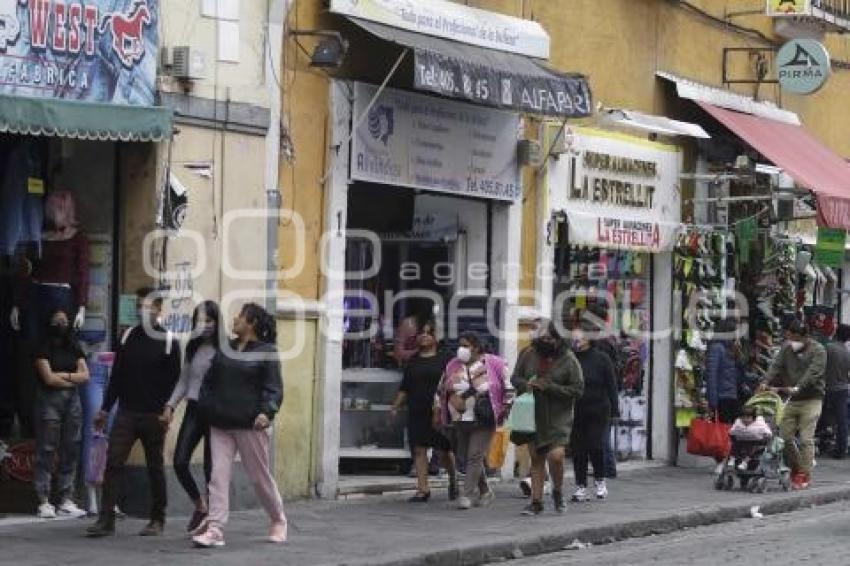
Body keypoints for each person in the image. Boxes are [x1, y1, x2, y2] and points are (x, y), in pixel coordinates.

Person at [86, 288, 181, 538]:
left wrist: (168, 411)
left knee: (155, 467)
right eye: (139, 305)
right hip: (126, 412)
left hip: (153, 416)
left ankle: (157, 519)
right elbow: (116, 377)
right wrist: (105, 409)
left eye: (148, 306)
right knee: (113, 462)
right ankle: (106, 519)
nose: (142, 310)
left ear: (159, 309)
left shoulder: (170, 341)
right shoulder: (127, 336)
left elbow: (175, 383)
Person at [191, 303, 286, 548]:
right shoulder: (225, 348)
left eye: (240, 316)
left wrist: (267, 412)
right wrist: (207, 405)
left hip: (250, 424)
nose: (235, 319)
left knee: (258, 477)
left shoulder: (267, 351)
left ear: (251, 323)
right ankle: (215, 529)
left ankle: (278, 519)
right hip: (220, 422)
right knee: (218, 476)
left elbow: (274, 389)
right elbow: (209, 381)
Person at [511, 320, 584, 516]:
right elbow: (515, 377)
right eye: (542, 338)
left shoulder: (569, 359)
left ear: (559, 339)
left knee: (556, 456)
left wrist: (550, 387)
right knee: (536, 458)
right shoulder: (528, 354)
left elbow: (577, 389)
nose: (546, 342)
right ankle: (536, 502)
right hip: (533, 413)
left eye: (550, 338)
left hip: (558, 416)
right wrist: (526, 385)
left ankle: (558, 491)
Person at [160, 301, 221, 531]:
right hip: (194, 409)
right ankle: (200, 505)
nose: (203, 326)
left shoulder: (225, 350)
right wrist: (170, 406)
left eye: (208, 321)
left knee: (211, 468)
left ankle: (212, 520)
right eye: (199, 321)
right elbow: (184, 381)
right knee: (179, 461)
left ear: (217, 322)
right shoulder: (192, 347)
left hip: (216, 413)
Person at [436, 332, 511, 510]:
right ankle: (485, 490)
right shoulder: (452, 365)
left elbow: (508, 388)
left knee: (474, 455)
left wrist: (504, 410)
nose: (461, 349)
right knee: (466, 456)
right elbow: (441, 389)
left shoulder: (494, 363)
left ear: (476, 347)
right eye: (460, 345)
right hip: (460, 418)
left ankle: (467, 495)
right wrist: (439, 410)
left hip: (484, 418)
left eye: (465, 345)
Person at [390, 319, 457, 502]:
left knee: (444, 449)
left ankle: (453, 478)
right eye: (422, 333)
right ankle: (423, 489)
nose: (424, 336)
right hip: (416, 409)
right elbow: (405, 386)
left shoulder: (446, 359)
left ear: (436, 337)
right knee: (418, 449)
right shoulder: (413, 360)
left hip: (439, 411)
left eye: (429, 332)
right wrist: (395, 406)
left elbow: (454, 384)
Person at [33, 308, 90, 519]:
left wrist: (63, 375)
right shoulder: (42, 346)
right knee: (46, 448)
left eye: (64, 319)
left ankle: (66, 499)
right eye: (57, 320)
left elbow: (85, 376)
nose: (61, 323)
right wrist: (72, 376)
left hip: (72, 401)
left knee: (71, 447)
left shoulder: (74, 346)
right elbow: (48, 379)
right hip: (49, 400)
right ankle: (44, 499)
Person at [762, 320, 827, 490]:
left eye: (795, 338)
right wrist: (766, 381)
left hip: (812, 399)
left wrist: (799, 386)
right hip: (791, 399)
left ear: (805, 337)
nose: (792, 342)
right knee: (784, 437)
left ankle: (804, 474)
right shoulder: (786, 348)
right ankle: (797, 467)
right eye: (789, 338)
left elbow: (814, 372)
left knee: (806, 439)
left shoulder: (818, 350)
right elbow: (776, 366)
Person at [569, 321, 618, 502]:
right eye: (574, 336)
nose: (576, 340)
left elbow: (612, 385)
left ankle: (600, 480)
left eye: (580, 336)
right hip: (576, 410)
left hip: (598, 409)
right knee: (578, 449)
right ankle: (580, 486)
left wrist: (615, 410)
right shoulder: (570, 358)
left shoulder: (601, 358)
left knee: (596, 446)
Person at [706, 318, 746, 424]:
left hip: (733, 395)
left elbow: (740, 372)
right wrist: (713, 402)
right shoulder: (717, 348)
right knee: (723, 430)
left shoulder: (731, 348)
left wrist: (739, 354)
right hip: (722, 398)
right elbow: (711, 376)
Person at [820, 324, 850, 459]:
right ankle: (841, 450)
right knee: (842, 421)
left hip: (827, 387)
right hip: (842, 388)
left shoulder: (828, 348)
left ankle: (819, 443)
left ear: (836, 333)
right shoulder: (847, 351)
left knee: (819, 415)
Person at [729, 406, 772, 471]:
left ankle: (745, 462)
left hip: (755, 442)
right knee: (734, 445)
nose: (745, 420)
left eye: (748, 418)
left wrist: (765, 436)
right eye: (743, 418)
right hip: (741, 441)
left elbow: (768, 433)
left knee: (752, 448)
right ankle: (732, 458)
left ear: (754, 418)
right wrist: (733, 434)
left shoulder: (760, 424)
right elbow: (732, 431)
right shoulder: (738, 423)